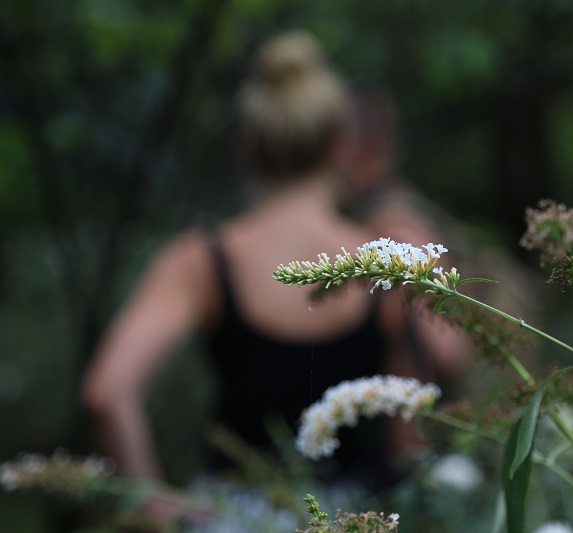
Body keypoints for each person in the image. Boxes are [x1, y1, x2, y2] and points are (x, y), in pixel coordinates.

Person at [81, 30, 467, 524]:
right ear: (338, 146)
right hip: (361, 514)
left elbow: (106, 392)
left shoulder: (200, 259)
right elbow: (447, 355)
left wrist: (154, 501)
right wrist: (421, 252)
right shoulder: (383, 254)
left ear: (246, 146)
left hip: (234, 516)